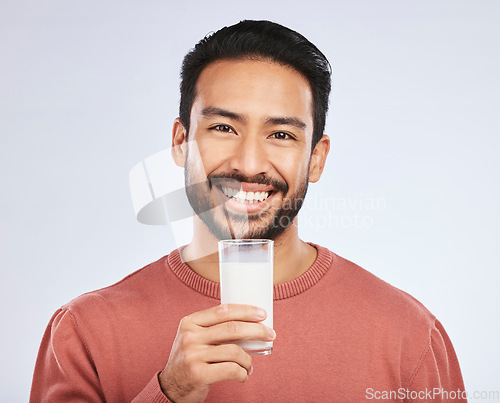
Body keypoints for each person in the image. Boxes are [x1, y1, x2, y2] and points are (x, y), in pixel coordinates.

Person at [30, 20, 466, 402]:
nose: (250, 164)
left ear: (316, 158)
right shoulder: (84, 333)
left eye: (281, 134)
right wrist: (170, 393)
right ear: (181, 142)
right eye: (223, 127)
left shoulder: (410, 336)